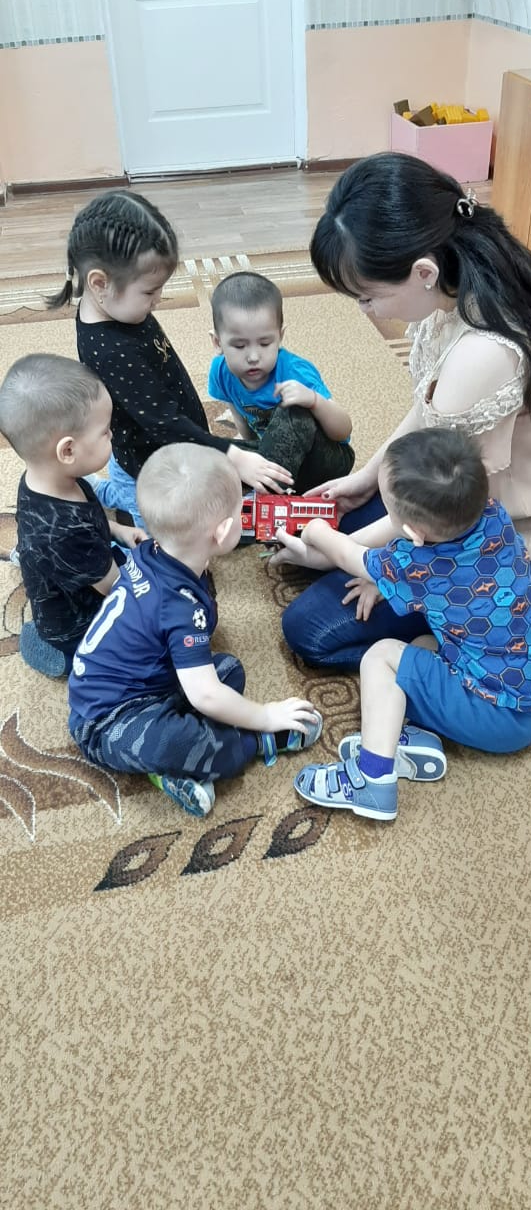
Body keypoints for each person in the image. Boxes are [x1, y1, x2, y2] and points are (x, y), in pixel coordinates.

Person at [276, 153, 531, 668]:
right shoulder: (463, 282)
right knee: (328, 529)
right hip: (458, 491)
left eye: (366, 297)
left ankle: (530, 591)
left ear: (423, 271)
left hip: (502, 530)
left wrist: (342, 554)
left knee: (309, 629)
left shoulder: (483, 353)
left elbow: (450, 507)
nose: (364, 310)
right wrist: (365, 480)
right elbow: (429, 412)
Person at [292, 428, 531, 822]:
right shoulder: (494, 515)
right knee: (419, 645)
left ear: (414, 533)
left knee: (382, 657)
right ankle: (402, 738)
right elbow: (439, 576)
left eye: (388, 508)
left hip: (497, 716)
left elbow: (350, 557)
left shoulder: (418, 564)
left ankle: (372, 780)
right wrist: (386, 581)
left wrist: (316, 531)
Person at [68, 444, 322, 819]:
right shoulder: (179, 605)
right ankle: (255, 742)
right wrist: (266, 715)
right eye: (241, 511)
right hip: (107, 722)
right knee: (195, 733)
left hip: (150, 685)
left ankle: (174, 766)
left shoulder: (156, 552)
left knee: (229, 671)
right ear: (222, 532)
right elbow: (204, 694)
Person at [47, 190, 293, 528]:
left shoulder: (117, 307)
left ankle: (108, 490)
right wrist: (232, 455)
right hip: (149, 470)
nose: (159, 299)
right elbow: (164, 424)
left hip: (168, 441)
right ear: (100, 283)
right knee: (166, 541)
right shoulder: (111, 350)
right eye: (150, 291)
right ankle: (113, 494)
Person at [0, 354, 146, 678]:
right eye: (105, 432)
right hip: (74, 623)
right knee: (137, 646)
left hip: (79, 565)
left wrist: (117, 530)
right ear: (68, 450)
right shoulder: (64, 532)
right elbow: (117, 589)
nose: (113, 435)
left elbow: (89, 518)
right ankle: (59, 654)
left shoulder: (49, 478)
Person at [208, 271, 354, 491]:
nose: (253, 357)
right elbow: (241, 420)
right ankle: (263, 486)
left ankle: (265, 494)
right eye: (239, 346)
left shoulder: (295, 372)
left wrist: (314, 400)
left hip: (324, 462)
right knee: (205, 449)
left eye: (265, 343)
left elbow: (343, 431)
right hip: (275, 462)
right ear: (218, 342)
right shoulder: (221, 371)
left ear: (280, 336)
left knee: (294, 411)